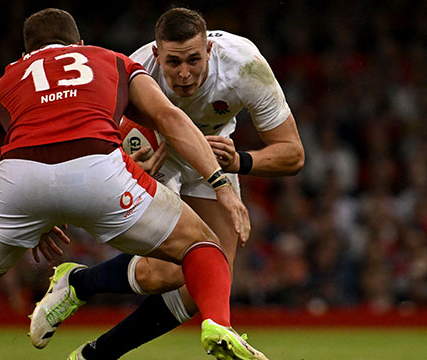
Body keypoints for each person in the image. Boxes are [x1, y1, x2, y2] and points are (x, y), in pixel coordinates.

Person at [0, 8, 267, 360]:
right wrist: (220, 184)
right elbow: (169, 118)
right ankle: (218, 324)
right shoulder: (109, 59)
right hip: (97, 169)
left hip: (19, 177)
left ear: (27, 51)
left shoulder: (8, 79)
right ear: (78, 45)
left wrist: (33, 216)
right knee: (203, 247)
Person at [28, 7, 304, 360]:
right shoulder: (133, 69)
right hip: (153, 149)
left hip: (214, 155)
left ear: (209, 51)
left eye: (193, 59)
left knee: (202, 283)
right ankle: (81, 289)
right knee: (171, 269)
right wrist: (125, 160)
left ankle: (93, 344)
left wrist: (242, 161)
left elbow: (293, 154)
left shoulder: (245, 66)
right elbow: (86, 141)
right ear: (157, 54)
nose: (185, 73)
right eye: (174, 62)